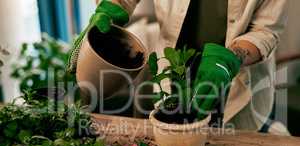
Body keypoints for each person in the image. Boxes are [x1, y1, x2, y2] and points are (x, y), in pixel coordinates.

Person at [70, 0, 287, 132]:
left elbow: (266, 30)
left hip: (236, 79)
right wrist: (110, 7)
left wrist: (230, 59)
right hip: (172, 68)